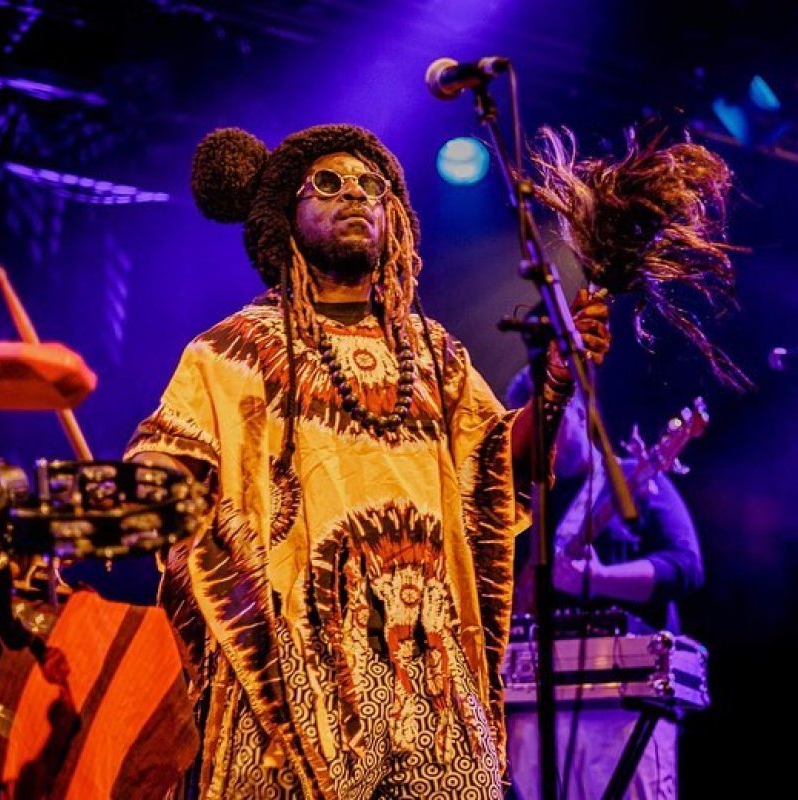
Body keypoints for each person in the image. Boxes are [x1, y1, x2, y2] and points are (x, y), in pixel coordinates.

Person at [124, 123, 610, 799]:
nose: (354, 193)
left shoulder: (435, 354)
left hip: (433, 668)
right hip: (296, 671)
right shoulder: (231, 350)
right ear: (285, 215)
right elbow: (164, 474)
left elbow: (497, 472)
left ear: (396, 218)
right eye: (327, 183)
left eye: (371, 185)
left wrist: (555, 382)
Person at [504, 368, 705, 800]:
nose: (543, 440)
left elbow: (685, 567)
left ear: (577, 414)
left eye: (551, 423)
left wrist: (602, 580)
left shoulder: (634, 477)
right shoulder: (523, 503)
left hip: (627, 701)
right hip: (533, 701)